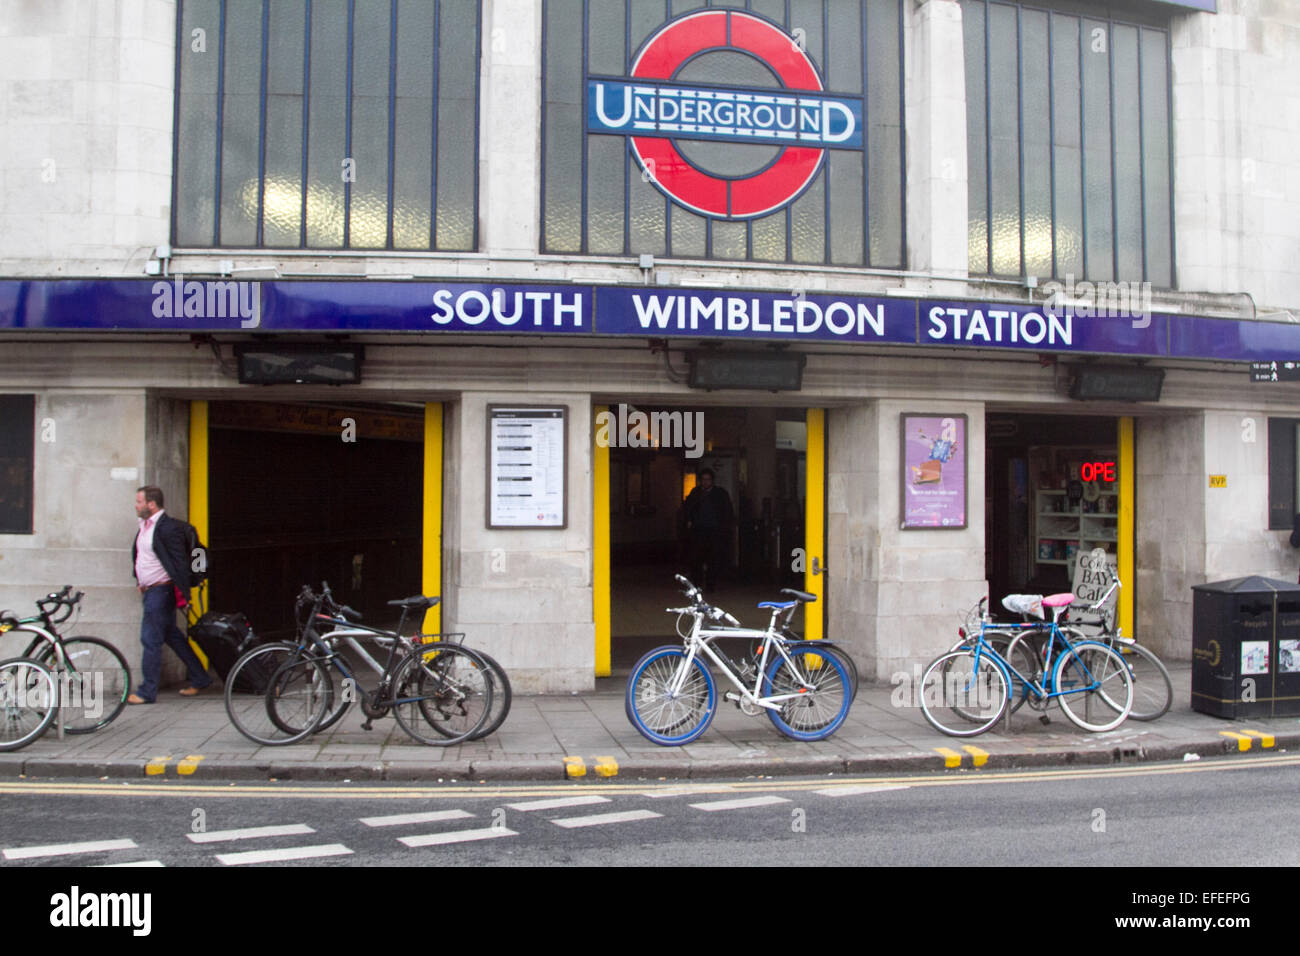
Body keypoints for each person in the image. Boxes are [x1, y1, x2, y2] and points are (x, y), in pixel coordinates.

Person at [127, 486, 212, 703]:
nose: (136, 505)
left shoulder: (166, 528)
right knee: (171, 635)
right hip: (151, 590)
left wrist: (184, 594)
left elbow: (179, 563)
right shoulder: (144, 526)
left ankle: (147, 691)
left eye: (139, 501)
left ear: (151, 504)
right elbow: (143, 557)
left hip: (161, 591)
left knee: (150, 639)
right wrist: (140, 580)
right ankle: (200, 676)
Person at [683, 468, 733, 590]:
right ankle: (697, 583)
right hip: (698, 530)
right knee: (697, 557)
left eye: (708, 480)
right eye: (703, 480)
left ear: (712, 481)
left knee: (713, 558)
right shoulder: (695, 493)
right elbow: (688, 508)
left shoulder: (720, 494)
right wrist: (689, 521)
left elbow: (727, 511)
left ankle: (711, 584)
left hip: (714, 530)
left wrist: (724, 527)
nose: (706, 482)